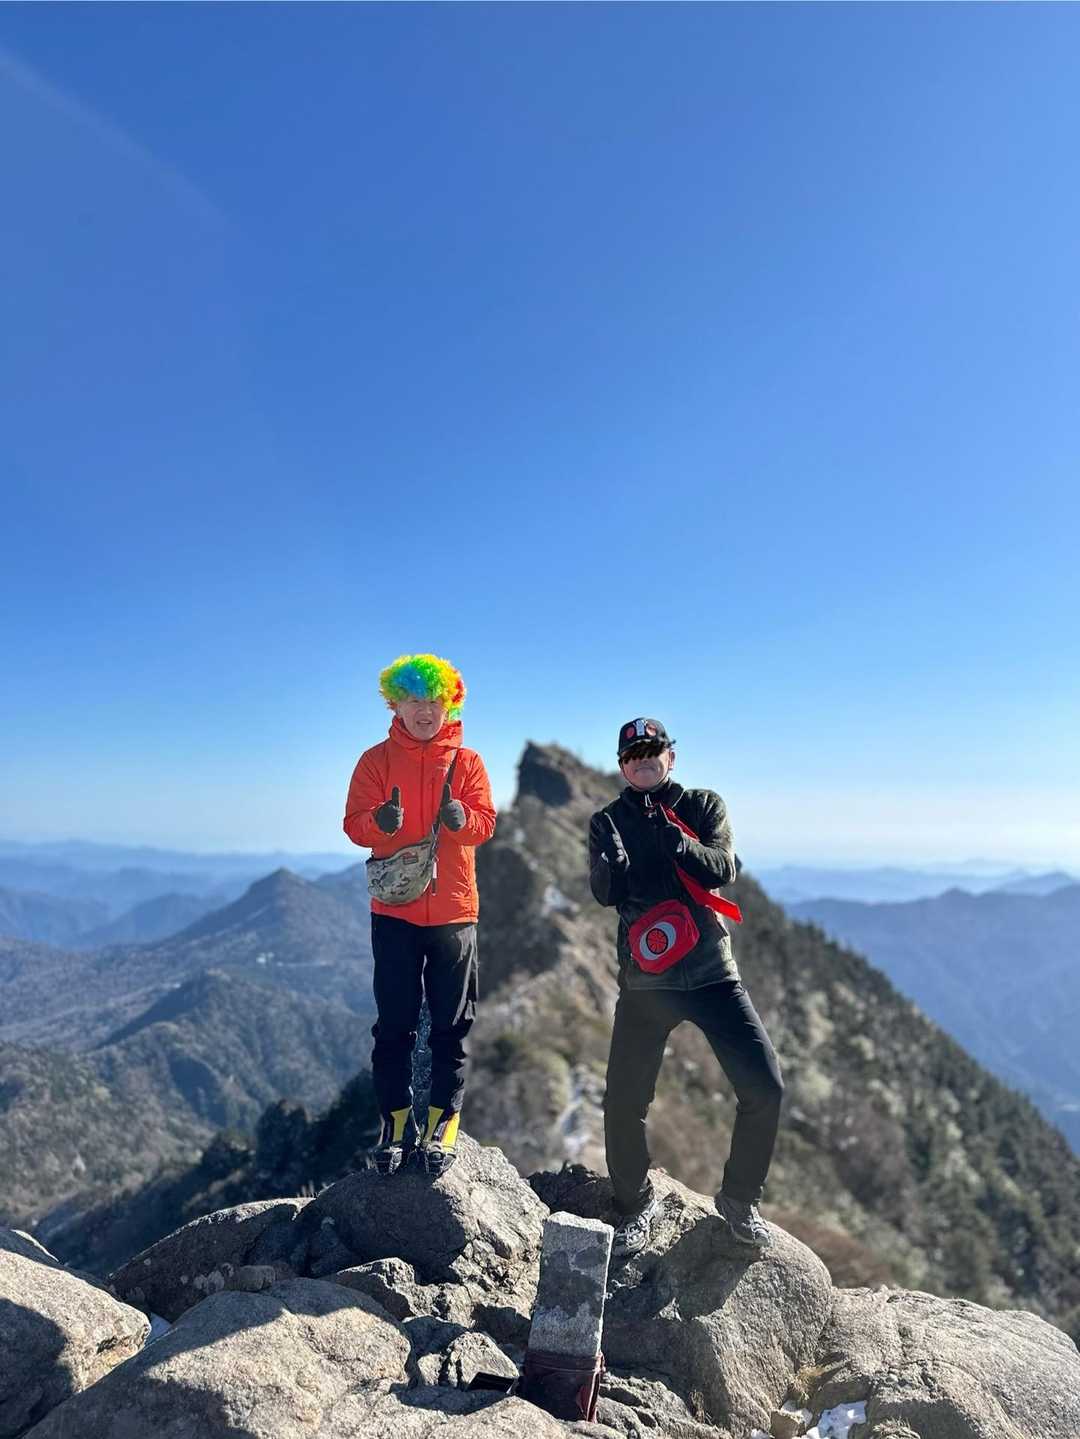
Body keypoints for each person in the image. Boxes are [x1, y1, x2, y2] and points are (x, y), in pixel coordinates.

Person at [588, 718, 783, 1257]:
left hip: (711, 973)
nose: (643, 760)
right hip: (646, 982)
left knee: (765, 1087)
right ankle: (633, 1202)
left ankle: (740, 1200)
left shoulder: (702, 805)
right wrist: (611, 868)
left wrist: (680, 843)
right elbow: (604, 894)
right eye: (633, 755)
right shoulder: (608, 820)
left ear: (670, 757)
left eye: (653, 751)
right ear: (622, 766)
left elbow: (724, 867)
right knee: (623, 1101)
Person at [344, 654, 496, 1177]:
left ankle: (442, 1125)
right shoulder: (375, 761)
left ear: (449, 704)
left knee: (451, 1028)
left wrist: (462, 818)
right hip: (395, 911)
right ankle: (394, 1125)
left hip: (454, 911)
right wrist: (381, 823)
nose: (425, 711)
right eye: (414, 701)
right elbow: (354, 824)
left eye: (434, 701)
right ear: (396, 705)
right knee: (394, 1025)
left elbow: (485, 825)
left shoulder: (469, 762)